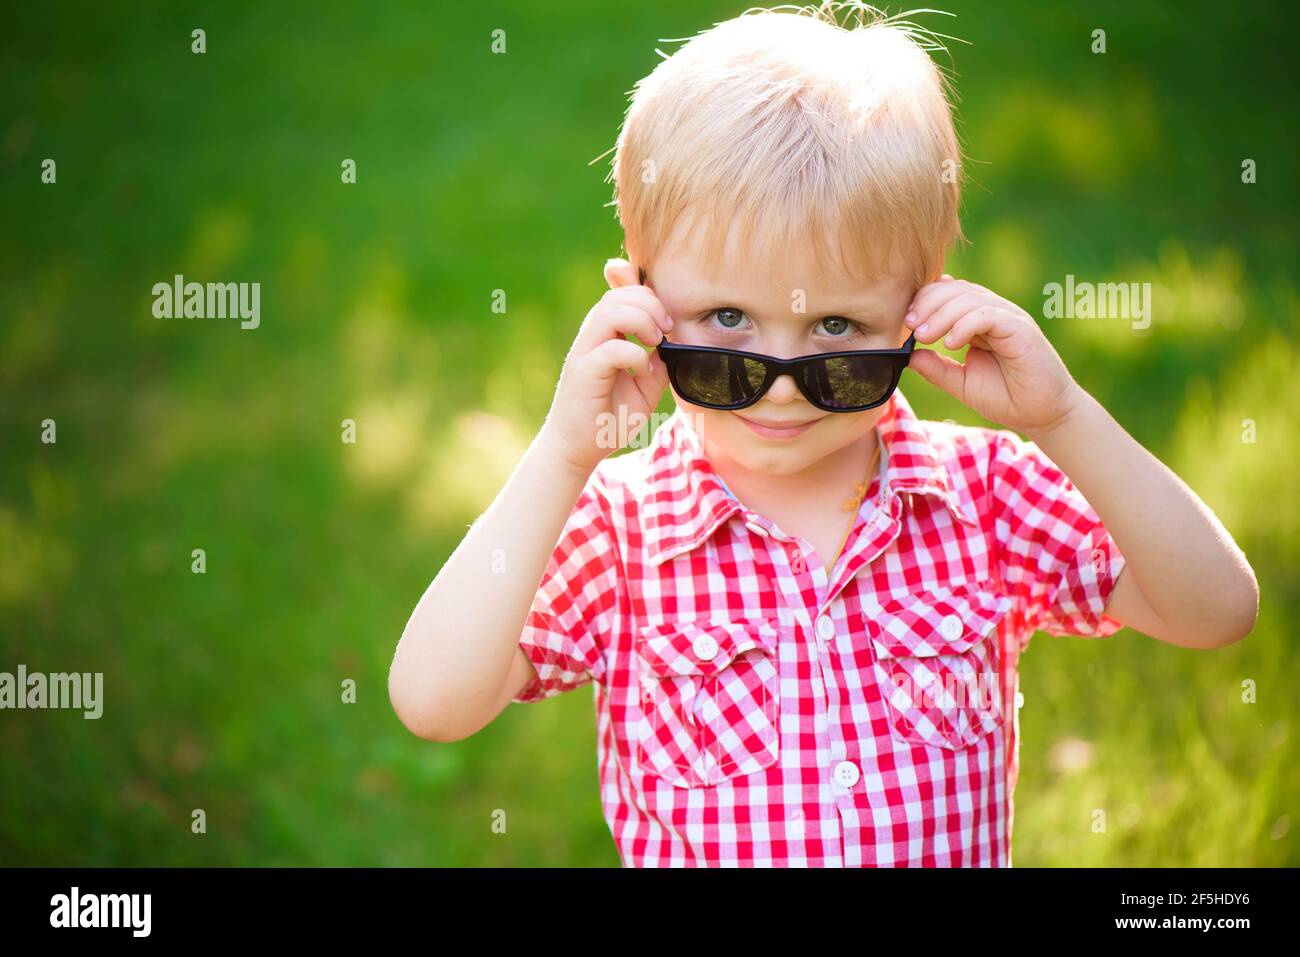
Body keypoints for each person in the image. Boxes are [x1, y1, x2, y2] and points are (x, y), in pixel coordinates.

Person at [388, 3, 1258, 866]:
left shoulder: (984, 496)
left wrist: (1064, 416)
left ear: (921, 306)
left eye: (837, 327)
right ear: (639, 294)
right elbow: (433, 699)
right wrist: (562, 452)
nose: (779, 383)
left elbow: (1216, 609)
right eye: (727, 317)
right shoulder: (619, 531)